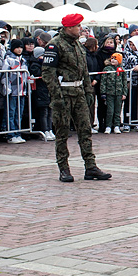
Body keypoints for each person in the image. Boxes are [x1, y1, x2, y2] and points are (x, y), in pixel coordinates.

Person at [42, 14, 111, 183]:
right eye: (77, 26)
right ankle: (63, 168)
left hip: (79, 92)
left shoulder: (78, 46)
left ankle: (90, 167)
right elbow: (48, 73)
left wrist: (88, 92)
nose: (80, 29)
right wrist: (56, 97)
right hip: (64, 94)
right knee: (62, 132)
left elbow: (84, 71)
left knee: (85, 131)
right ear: (68, 27)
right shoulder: (54, 45)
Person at [3, 39, 28, 144]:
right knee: (11, 112)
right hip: (12, 91)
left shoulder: (23, 60)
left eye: (21, 47)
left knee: (19, 113)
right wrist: (6, 87)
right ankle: (11, 133)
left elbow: (26, 76)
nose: (19, 49)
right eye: (17, 47)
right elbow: (4, 74)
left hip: (22, 90)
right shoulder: (9, 59)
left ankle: (17, 132)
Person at [28, 47, 55, 142]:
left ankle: (50, 129)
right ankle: (45, 130)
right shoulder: (35, 65)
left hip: (47, 90)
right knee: (44, 112)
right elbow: (40, 74)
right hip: (40, 91)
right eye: (42, 56)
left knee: (49, 112)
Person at [101, 53, 127, 134]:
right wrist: (103, 92)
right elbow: (103, 81)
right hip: (109, 93)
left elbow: (124, 82)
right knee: (110, 110)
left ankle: (117, 125)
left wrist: (124, 93)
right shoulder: (107, 69)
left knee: (117, 110)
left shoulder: (121, 70)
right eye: (112, 58)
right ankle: (108, 126)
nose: (113, 60)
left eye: (115, 59)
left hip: (119, 93)